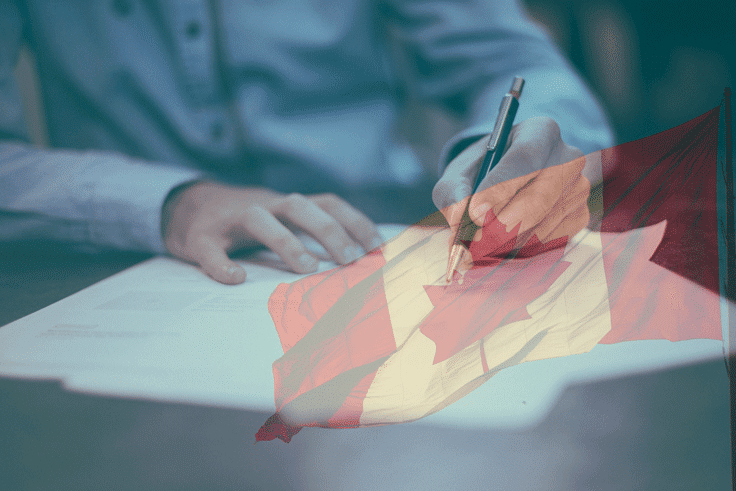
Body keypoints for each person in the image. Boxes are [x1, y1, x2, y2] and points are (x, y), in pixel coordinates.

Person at [0, 0, 612, 284]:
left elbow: (518, 63)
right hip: (122, 270)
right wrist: (170, 203)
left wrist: (514, 148)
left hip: (388, 245)